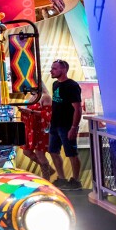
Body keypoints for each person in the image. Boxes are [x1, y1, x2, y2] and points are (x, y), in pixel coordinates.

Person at [47, 59, 82, 190]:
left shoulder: (72, 86)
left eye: (54, 68)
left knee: (71, 153)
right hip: (54, 124)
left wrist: (74, 127)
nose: (51, 70)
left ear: (63, 70)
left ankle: (76, 181)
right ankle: (62, 179)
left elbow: (77, 109)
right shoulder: (55, 84)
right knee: (53, 151)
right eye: (52, 68)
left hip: (67, 125)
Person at [20, 83, 55, 180]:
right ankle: (49, 170)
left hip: (41, 129)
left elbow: (48, 114)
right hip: (32, 128)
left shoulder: (45, 96)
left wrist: (30, 112)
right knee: (26, 152)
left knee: (40, 154)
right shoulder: (32, 97)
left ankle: (46, 179)